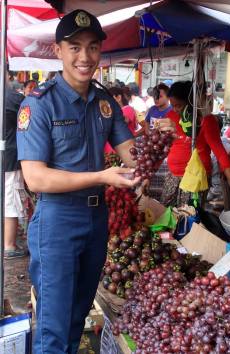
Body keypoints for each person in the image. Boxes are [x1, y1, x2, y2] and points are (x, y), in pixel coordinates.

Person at [17, 9, 140, 354]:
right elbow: (35, 177)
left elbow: (133, 156)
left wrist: (158, 146)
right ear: (58, 50)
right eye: (74, 47)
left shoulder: (104, 102)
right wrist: (102, 176)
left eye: (92, 47)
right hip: (57, 221)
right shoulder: (39, 104)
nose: (84, 57)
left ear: (101, 50)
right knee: (54, 328)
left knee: (76, 318)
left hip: (96, 219)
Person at [159, 81, 230, 207]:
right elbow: (161, 147)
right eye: (173, 106)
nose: (176, 110)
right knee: (165, 214)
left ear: (191, 102)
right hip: (173, 175)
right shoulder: (170, 116)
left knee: (189, 218)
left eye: (179, 105)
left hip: (196, 178)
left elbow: (220, 153)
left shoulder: (206, 120)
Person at [5, 69, 27, 259]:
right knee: (11, 201)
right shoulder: (12, 98)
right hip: (10, 158)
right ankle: (9, 245)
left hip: (7, 156)